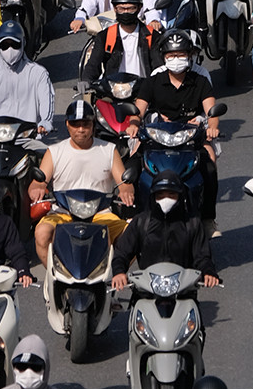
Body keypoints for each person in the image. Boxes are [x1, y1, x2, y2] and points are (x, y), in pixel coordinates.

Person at [30, 99, 131, 267]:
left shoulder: (109, 149)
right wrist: (37, 188)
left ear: (93, 125)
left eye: (86, 124)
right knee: (42, 233)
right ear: (67, 124)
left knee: (130, 234)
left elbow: (124, 182)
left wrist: (126, 190)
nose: (81, 129)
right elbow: (38, 182)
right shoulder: (54, 151)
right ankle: (55, 273)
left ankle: (115, 273)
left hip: (100, 214)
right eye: (75, 124)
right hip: (63, 213)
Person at [133, 34, 219, 220]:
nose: (176, 59)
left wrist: (212, 127)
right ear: (164, 57)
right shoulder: (153, 81)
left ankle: (208, 218)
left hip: (191, 137)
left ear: (189, 56)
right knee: (132, 164)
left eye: (180, 55)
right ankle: (133, 215)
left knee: (210, 165)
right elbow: (138, 110)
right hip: (157, 136)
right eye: (171, 55)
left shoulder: (200, 80)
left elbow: (212, 112)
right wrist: (133, 124)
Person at [112, 176, 219, 287]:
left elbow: (202, 256)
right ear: (153, 196)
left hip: (183, 289)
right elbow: (122, 253)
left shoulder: (192, 223)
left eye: (171, 195)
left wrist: (208, 272)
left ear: (180, 196)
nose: (166, 199)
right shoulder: (141, 222)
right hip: (146, 289)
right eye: (160, 195)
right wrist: (119, 272)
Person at [0, 20, 54, 138]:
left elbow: (46, 101)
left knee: (48, 151)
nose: (10, 50)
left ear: (23, 43)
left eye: (15, 45)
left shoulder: (39, 73)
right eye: (5, 45)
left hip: (27, 140)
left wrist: (45, 122)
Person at [79, 0, 159, 83]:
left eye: (131, 9)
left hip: (144, 87)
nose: (126, 12)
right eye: (121, 9)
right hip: (114, 87)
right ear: (115, 9)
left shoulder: (152, 36)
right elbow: (93, 64)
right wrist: (86, 81)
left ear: (139, 8)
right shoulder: (105, 36)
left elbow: (158, 66)